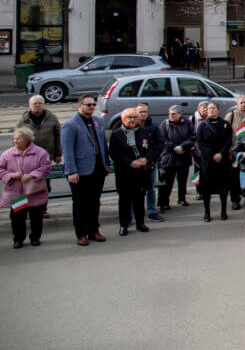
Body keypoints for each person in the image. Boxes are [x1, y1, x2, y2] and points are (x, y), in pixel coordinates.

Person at [61, 94, 109, 246]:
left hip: (98, 168)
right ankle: (81, 233)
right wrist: (71, 171)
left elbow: (102, 145)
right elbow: (67, 150)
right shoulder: (71, 124)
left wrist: (106, 163)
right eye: (88, 104)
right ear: (80, 105)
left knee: (95, 202)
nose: (92, 107)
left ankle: (94, 230)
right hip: (80, 171)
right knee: (81, 203)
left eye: (94, 104)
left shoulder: (98, 122)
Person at [108, 108, 155, 236]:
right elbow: (114, 153)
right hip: (125, 173)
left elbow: (150, 148)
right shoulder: (117, 134)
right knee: (124, 200)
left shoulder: (143, 131)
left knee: (139, 198)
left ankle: (140, 223)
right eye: (130, 117)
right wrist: (130, 162)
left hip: (141, 172)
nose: (133, 120)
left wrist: (146, 159)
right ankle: (124, 225)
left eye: (135, 117)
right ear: (123, 119)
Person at [1, 127, 51, 248]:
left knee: (36, 217)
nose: (15, 141)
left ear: (27, 139)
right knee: (17, 217)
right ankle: (18, 239)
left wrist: (32, 175)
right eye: (14, 139)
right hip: (18, 193)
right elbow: (1, 169)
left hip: (35, 191)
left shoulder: (40, 153)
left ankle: (35, 238)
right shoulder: (8, 154)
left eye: (18, 139)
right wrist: (12, 175)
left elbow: (45, 167)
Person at [196, 102, 232, 222]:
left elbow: (228, 141)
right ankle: (207, 212)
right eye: (209, 108)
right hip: (208, 162)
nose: (211, 110)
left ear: (218, 110)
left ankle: (223, 211)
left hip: (222, 161)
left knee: (223, 188)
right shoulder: (202, 126)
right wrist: (212, 155)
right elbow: (200, 143)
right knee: (207, 189)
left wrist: (221, 153)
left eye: (213, 108)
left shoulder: (225, 125)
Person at [158, 105, 195, 211]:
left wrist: (183, 146)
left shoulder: (187, 123)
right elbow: (162, 139)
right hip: (170, 157)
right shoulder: (165, 124)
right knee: (167, 181)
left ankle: (182, 198)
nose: (171, 116)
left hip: (184, 156)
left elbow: (192, 137)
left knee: (182, 179)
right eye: (170, 114)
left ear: (180, 114)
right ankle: (164, 201)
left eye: (173, 114)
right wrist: (174, 147)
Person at [134, 104, 165, 222]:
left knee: (150, 188)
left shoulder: (153, 126)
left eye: (145, 112)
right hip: (136, 163)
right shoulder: (132, 125)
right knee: (135, 188)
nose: (143, 114)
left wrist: (150, 157)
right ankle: (133, 213)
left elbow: (159, 143)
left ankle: (151, 211)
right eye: (141, 112)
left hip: (150, 162)